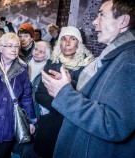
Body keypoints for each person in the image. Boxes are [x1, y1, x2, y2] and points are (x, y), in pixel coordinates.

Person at [40, 0, 135, 157]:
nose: (94, 21)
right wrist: (69, 86)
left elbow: (115, 125)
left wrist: (64, 93)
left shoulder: (129, 60)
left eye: (101, 15)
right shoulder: (117, 55)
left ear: (123, 21)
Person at [33, 26, 94, 158]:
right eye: (63, 39)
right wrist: (68, 104)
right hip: (51, 127)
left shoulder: (89, 67)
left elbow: (90, 99)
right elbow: (40, 95)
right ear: (59, 42)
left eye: (72, 39)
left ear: (79, 43)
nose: (67, 43)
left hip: (75, 129)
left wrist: (61, 96)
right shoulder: (52, 63)